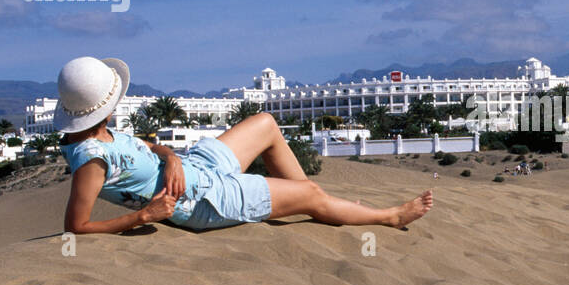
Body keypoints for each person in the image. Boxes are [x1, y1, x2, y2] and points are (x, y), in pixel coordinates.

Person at [54, 56, 432, 234]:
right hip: (203, 200)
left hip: (194, 166)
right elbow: (76, 226)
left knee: (266, 123)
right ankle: (389, 216)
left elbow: (151, 148)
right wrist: (144, 216)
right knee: (310, 193)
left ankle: (321, 204)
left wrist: (169, 157)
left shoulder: (102, 134)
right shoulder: (91, 160)